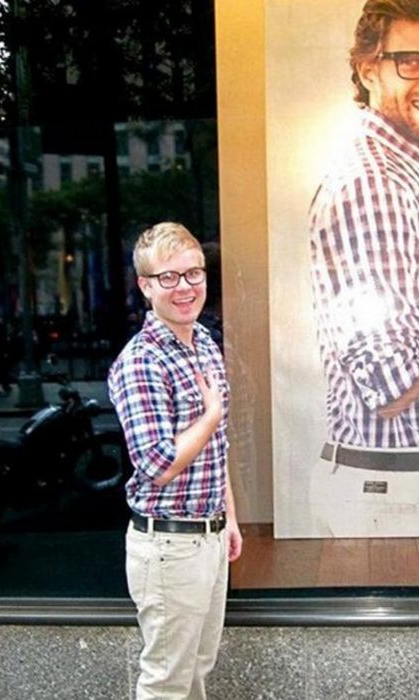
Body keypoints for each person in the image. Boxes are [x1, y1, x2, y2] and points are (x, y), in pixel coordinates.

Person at [308, 0, 419, 537]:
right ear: (368, 70)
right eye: (410, 61)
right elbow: (389, 386)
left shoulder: (401, 176)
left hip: (402, 493)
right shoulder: (375, 185)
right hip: (400, 499)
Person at [108, 222, 242, 699]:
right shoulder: (141, 361)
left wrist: (230, 517)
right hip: (168, 546)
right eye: (168, 277)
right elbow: (159, 463)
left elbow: (217, 444)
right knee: (166, 682)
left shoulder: (202, 341)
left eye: (193, 274)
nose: (184, 287)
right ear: (145, 286)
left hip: (207, 536)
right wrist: (210, 415)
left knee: (196, 671)